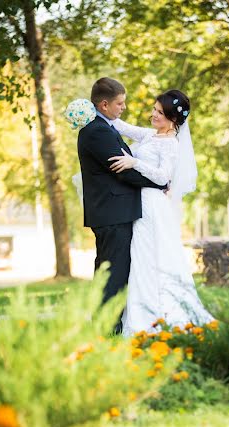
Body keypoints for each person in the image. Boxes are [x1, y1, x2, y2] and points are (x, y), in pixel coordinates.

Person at [107, 89, 213, 335]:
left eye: (160, 113)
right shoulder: (151, 135)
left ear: (173, 120)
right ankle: (141, 311)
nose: (153, 115)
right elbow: (122, 126)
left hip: (152, 205)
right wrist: (91, 110)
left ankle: (157, 315)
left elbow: (163, 176)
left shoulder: (170, 144)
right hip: (140, 201)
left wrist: (135, 163)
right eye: (154, 109)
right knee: (140, 258)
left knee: (150, 257)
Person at [76, 77, 165, 333]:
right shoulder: (97, 131)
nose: (123, 107)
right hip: (112, 214)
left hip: (111, 212)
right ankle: (108, 329)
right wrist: (159, 184)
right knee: (114, 274)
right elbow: (122, 170)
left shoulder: (104, 127)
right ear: (104, 104)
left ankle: (104, 326)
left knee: (108, 272)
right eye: (120, 103)